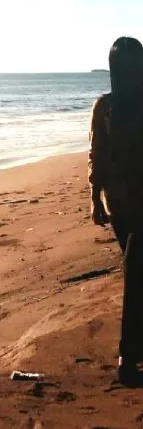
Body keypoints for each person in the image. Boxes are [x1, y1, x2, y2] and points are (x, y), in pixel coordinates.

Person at [89, 36, 143, 386]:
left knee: (136, 273)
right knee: (136, 274)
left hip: (128, 200)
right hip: (123, 203)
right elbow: (97, 154)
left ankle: (130, 354)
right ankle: (127, 357)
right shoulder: (106, 107)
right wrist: (94, 198)